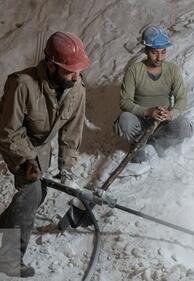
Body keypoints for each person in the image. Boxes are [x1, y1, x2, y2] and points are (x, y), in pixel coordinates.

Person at [0, 31, 90, 277]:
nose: (76, 75)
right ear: (51, 65)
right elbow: (8, 130)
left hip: (42, 145)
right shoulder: (21, 84)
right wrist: (27, 159)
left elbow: (71, 133)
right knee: (30, 192)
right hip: (15, 139)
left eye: (78, 69)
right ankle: (9, 259)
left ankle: (6, 223)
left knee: (39, 193)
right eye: (70, 70)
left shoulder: (76, 88)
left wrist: (66, 168)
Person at [113, 25, 193, 169]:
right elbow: (124, 102)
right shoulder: (134, 71)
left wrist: (171, 114)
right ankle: (139, 147)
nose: (159, 58)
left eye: (163, 52)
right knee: (124, 120)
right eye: (154, 53)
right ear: (146, 50)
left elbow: (181, 98)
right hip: (141, 121)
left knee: (183, 126)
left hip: (163, 121)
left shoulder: (172, 70)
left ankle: (158, 142)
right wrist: (147, 112)